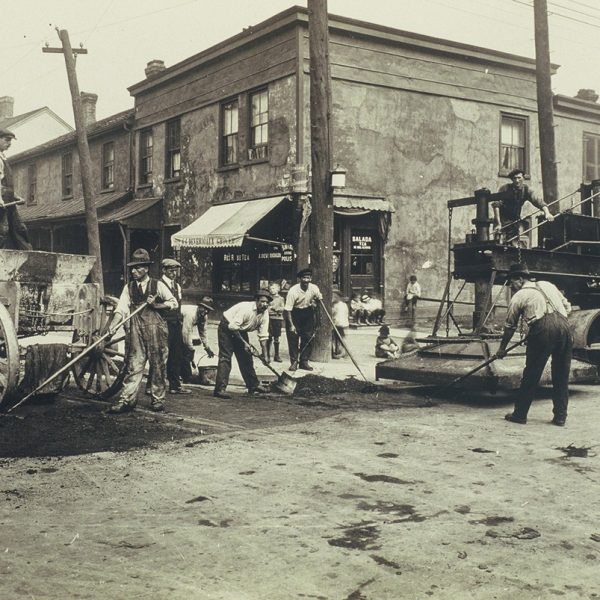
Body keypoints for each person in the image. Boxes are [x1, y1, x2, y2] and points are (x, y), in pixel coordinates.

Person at [495, 263, 572, 426]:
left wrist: (502, 349)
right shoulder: (548, 285)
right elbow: (567, 306)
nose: (511, 287)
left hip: (542, 331)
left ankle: (520, 415)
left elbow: (510, 326)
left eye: (511, 282)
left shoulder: (519, 296)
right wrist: (556, 323)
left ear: (520, 279)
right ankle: (560, 417)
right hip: (565, 327)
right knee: (561, 373)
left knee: (531, 373)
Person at [107, 248, 178, 414]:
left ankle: (158, 400)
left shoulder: (157, 285)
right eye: (132, 268)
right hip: (136, 327)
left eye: (137, 268)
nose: (133, 271)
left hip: (156, 328)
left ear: (146, 269)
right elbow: (122, 308)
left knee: (158, 364)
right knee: (134, 364)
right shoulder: (129, 287)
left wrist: (157, 305)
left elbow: (173, 303)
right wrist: (114, 324)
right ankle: (127, 400)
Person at [213, 290, 272, 399]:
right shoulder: (247, 309)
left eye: (267, 302)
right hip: (227, 327)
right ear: (256, 300)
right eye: (262, 301)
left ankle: (253, 385)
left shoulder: (265, 314)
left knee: (246, 357)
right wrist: (244, 343)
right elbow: (232, 327)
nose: (264, 305)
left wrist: (265, 355)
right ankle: (220, 389)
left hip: (240, 330)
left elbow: (263, 335)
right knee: (225, 358)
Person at [492, 168, 555, 246]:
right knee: (499, 244)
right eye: (514, 178)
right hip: (501, 220)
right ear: (512, 179)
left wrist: (547, 213)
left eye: (519, 178)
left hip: (514, 221)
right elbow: (496, 205)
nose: (517, 180)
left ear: (523, 178)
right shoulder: (505, 188)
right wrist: (498, 223)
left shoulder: (526, 190)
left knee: (513, 245)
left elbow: (538, 201)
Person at [160, 258, 191, 395]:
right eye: (170, 271)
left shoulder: (177, 286)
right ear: (164, 270)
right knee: (161, 355)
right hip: (163, 323)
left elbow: (179, 304)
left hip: (176, 323)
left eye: (175, 271)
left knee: (175, 355)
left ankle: (174, 385)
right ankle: (153, 385)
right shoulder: (158, 284)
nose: (173, 273)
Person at [284, 268, 323, 371]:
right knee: (293, 338)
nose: (306, 280)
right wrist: (291, 325)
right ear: (300, 279)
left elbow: (320, 300)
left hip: (308, 313)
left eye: (308, 277)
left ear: (311, 278)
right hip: (294, 313)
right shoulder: (293, 291)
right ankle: (294, 362)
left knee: (308, 337)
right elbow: (288, 310)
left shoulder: (314, 288)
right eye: (304, 278)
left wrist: (316, 304)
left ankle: (304, 361)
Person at [0, 128, 32, 250]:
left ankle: (29, 257)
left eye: (11, 141)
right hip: (2, 202)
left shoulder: (3, 158)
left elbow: (5, 182)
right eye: (6, 140)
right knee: (2, 231)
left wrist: (15, 196)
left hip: (8, 200)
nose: (9, 144)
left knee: (19, 229)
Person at [180, 296, 216, 385]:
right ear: (200, 306)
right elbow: (186, 332)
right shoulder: (191, 314)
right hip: (172, 322)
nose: (206, 311)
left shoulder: (204, 316)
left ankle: (184, 375)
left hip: (182, 327)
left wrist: (207, 347)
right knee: (184, 351)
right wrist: (191, 348)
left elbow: (203, 332)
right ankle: (186, 377)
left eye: (208, 310)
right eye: (205, 309)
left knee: (186, 351)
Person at [267, 281, 284, 363]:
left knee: (276, 337)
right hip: (269, 318)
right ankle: (267, 354)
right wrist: (271, 309)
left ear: (278, 289)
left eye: (273, 288)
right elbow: (266, 309)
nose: (272, 290)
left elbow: (282, 308)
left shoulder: (281, 299)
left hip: (277, 319)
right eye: (270, 289)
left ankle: (276, 355)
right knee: (268, 336)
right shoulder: (267, 298)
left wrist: (276, 309)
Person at [331, 290, 349, 358]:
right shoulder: (342, 304)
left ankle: (343, 352)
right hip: (340, 323)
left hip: (340, 324)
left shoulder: (339, 305)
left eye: (334, 297)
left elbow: (335, 315)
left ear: (338, 297)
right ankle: (338, 351)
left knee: (341, 338)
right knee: (337, 338)